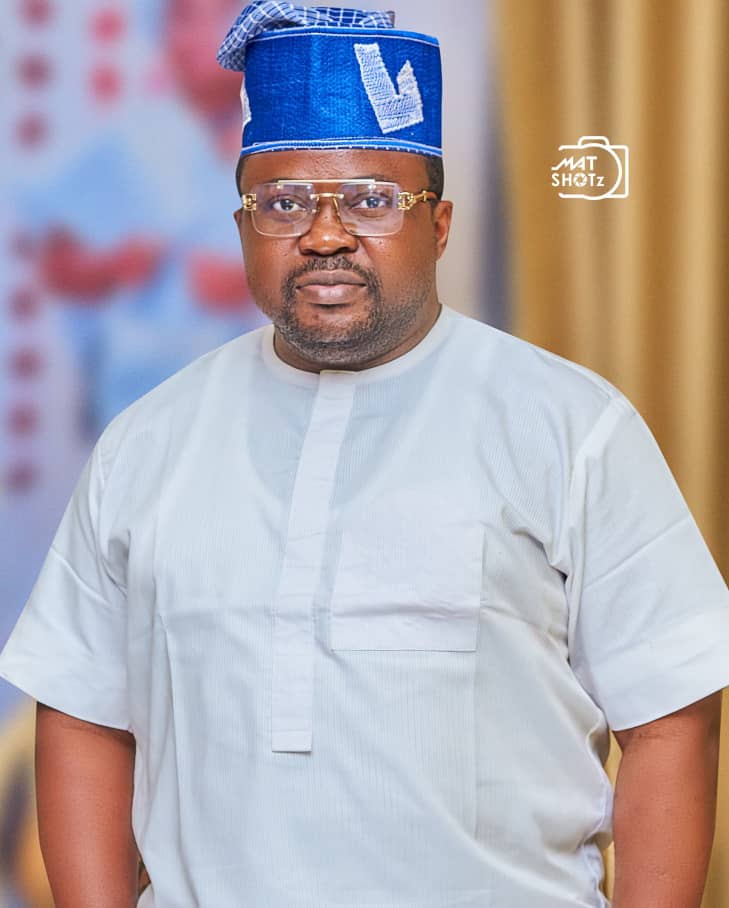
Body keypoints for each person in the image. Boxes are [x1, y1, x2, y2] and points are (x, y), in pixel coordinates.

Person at [1, 2, 728, 906]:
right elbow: (83, 712)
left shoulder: (571, 427)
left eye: (373, 199)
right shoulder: (147, 443)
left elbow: (669, 719)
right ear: (242, 224)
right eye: (282, 202)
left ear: (440, 224)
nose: (325, 234)